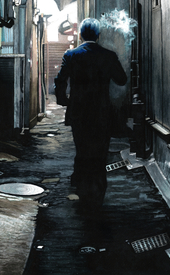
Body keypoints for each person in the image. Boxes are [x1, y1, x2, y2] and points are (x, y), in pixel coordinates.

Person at [54, 18, 127, 209]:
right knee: (100, 152)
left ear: (80, 35)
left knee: (82, 148)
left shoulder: (71, 55)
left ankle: (82, 186)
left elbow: (60, 80)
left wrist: (63, 100)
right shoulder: (108, 55)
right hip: (101, 111)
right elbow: (121, 79)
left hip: (79, 111)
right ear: (98, 35)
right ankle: (98, 188)